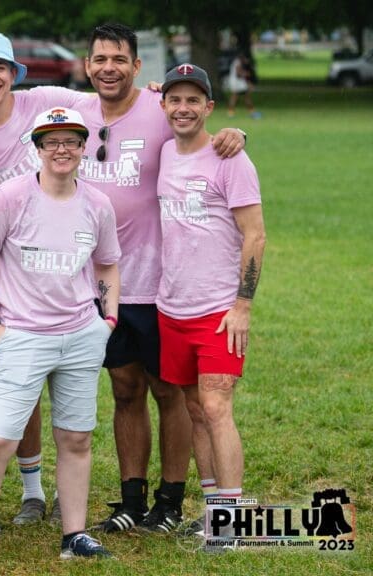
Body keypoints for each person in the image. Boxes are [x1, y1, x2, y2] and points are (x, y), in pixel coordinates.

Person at [73, 23, 246, 534]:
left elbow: (203, 132)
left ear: (136, 66)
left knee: (169, 393)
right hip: (103, 288)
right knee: (124, 390)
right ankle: (132, 500)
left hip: (159, 286)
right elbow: (11, 111)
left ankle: (170, 502)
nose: (109, 68)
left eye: (119, 59)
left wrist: (239, 134)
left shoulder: (159, 107)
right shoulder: (76, 111)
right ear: (87, 66)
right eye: (100, 59)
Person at [0, 107, 120, 564]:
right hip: (22, 335)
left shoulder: (97, 204)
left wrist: (107, 320)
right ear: (38, 149)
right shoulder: (9, 198)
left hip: (81, 334)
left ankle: (74, 535)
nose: (61, 149)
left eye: (70, 141)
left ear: (83, 147)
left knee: (76, 438)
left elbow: (108, 263)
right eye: (51, 141)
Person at [0, 30, 96, 526]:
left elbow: (108, 103)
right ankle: (32, 490)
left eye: (0, 67)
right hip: (8, 277)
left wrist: (159, 94)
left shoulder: (42, 102)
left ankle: (59, 494)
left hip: (63, 266)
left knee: (69, 397)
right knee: (22, 392)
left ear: (14, 72)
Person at [156, 63, 265, 534]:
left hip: (219, 310)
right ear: (163, 105)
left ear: (209, 107)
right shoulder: (163, 151)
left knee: (217, 407)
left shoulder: (230, 159)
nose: (183, 108)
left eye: (193, 100)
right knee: (195, 409)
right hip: (171, 306)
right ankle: (212, 508)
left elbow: (255, 235)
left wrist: (242, 306)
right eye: (175, 99)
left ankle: (231, 519)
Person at [226, 53, 259, 119]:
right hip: (237, 82)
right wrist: (246, 74)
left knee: (243, 96)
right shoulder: (238, 62)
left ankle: (231, 113)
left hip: (237, 82)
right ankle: (252, 112)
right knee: (237, 96)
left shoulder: (237, 62)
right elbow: (238, 74)